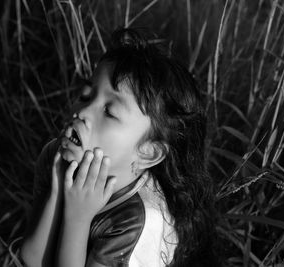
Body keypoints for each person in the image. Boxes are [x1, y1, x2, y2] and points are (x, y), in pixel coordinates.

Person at [20, 28, 220, 267]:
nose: (82, 112)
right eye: (86, 96)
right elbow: (31, 259)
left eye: (109, 112)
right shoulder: (57, 158)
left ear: (149, 152)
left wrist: (78, 218)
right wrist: (56, 187)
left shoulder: (138, 221)